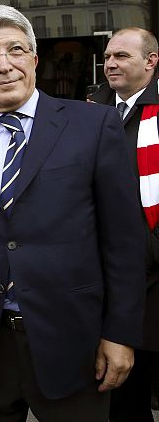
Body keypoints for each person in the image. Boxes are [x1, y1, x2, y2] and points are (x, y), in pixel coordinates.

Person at [0, 5, 146, 421]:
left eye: (15, 50)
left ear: (34, 61)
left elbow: (124, 242)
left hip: (74, 342)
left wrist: (120, 333)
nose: (4, 65)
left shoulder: (93, 126)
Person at [89, 27, 159, 422]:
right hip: (110, 274)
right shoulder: (89, 110)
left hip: (154, 273)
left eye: (121, 56)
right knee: (122, 396)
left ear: (151, 62)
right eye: (108, 56)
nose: (110, 63)